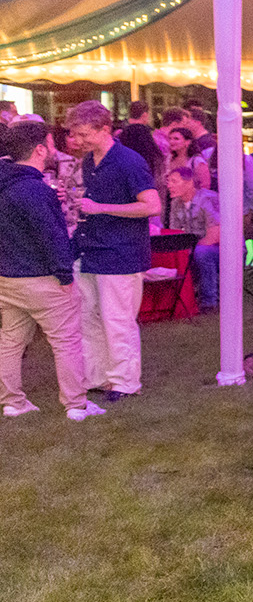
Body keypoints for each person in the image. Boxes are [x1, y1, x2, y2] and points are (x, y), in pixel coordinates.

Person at [0, 120, 94, 421]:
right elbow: (52, 237)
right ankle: (77, 405)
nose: (55, 149)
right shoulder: (33, 189)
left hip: (7, 277)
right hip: (41, 278)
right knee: (66, 341)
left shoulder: (8, 183)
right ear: (40, 150)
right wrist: (65, 275)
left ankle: (13, 402)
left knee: (11, 341)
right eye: (52, 144)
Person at [67, 101, 158, 401]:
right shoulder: (90, 161)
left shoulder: (128, 161)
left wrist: (101, 208)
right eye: (75, 134)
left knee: (117, 321)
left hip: (121, 253)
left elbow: (151, 205)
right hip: (91, 249)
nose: (77, 141)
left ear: (104, 128)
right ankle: (99, 376)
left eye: (83, 134)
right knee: (89, 317)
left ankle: (125, 381)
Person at [163, 166, 221, 310]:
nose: (169, 186)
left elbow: (215, 235)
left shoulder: (208, 199)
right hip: (196, 247)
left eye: (174, 181)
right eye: (168, 181)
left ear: (189, 182)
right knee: (173, 252)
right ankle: (179, 300)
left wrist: (189, 250)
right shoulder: (176, 204)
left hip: (224, 250)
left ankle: (209, 301)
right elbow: (175, 233)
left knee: (202, 252)